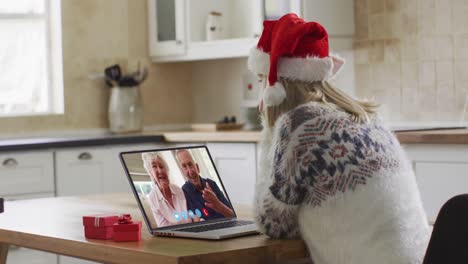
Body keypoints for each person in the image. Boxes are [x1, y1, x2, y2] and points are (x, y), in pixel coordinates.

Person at [249, 14, 430, 263]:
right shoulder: (367, 117)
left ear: (275, 88)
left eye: (261, 81)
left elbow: (273, 224)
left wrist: (269, 136)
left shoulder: (298, 126)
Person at [175, 149, 234, 220]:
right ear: (183, 172)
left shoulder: (211, 183)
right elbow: (195, 221)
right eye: (184, 166)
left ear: (197, 167)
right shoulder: (184, 193)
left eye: (190, 164)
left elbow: (232, 214)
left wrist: (218, 204)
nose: (190, 171)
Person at [142, 152, 196, 227]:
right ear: (150, 173)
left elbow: (191, 215)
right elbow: (164, 229)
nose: (160, 171)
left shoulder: (178, 189)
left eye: (161, 166)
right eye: (154, 167)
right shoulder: (153, 198)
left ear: (167, 170)